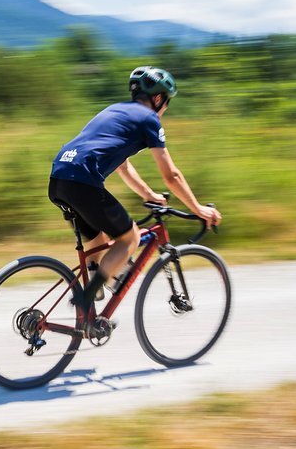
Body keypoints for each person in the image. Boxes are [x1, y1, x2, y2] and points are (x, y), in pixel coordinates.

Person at [48, 66, 222, 328]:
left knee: (99, 242)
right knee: (130, 237)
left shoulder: (114, 111)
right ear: (159, 98)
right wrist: (198, 209)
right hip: (83, 182)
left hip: (59, 179)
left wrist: (149, 194)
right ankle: (85, 299)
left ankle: (90, 315)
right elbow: (171, 176)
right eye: (167, 102)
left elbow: (122, 166)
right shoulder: (149, 119)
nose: (166, 108)